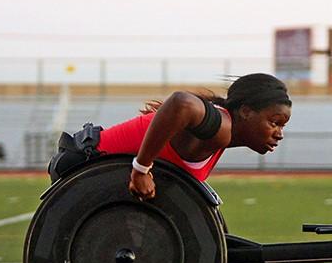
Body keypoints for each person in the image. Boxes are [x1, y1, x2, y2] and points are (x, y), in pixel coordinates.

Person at [48, 73, 292, 200]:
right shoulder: (221, 127)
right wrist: (141, 169)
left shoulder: (220, 134)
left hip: (89, 169)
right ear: (246, 112)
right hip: (81, 167)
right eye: (274, 123)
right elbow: (181, 102)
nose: (279, 134)